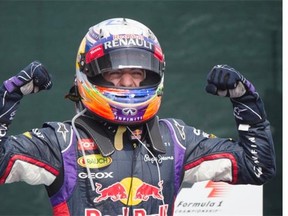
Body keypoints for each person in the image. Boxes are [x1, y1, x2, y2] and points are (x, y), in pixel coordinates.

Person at [0, 18, 276, 216]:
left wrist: (245, 101)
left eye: (137, 73)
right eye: (114, 72)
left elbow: (257, 167)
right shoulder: (61, 141)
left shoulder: (176, 139)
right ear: (90, 74)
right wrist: (6, 100)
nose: (128, 82)